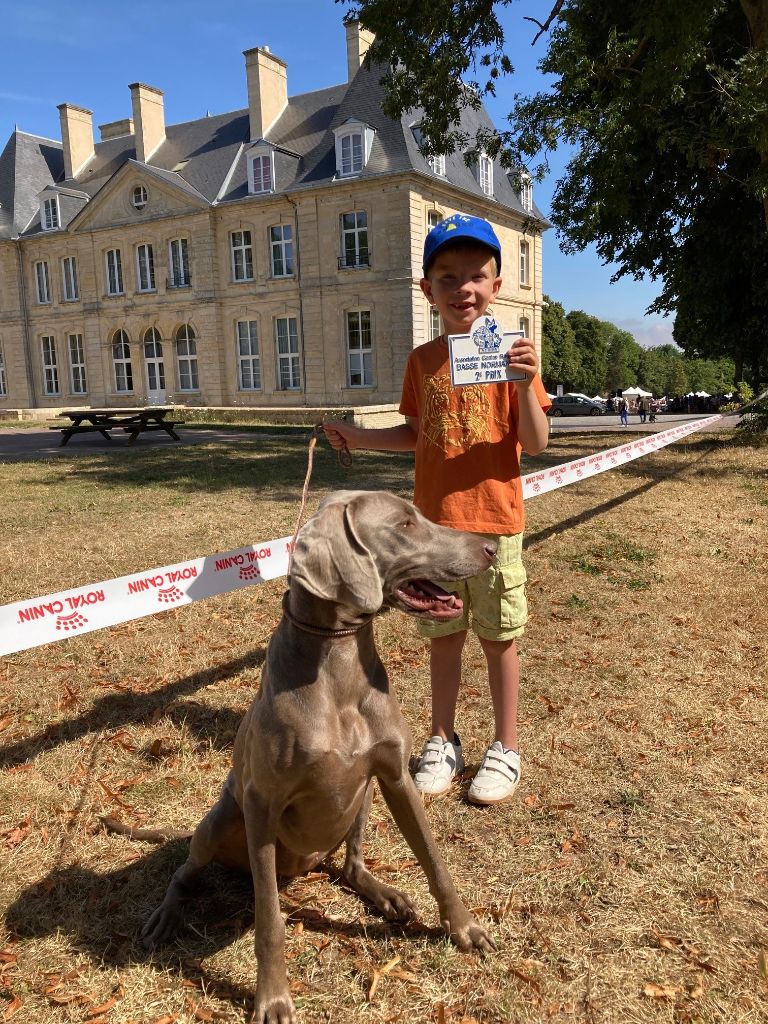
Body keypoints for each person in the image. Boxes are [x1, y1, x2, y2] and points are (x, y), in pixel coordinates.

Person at [323, 213, 551, 805]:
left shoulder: (515, 357)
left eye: (475, 276)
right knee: (443, 636)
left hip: (496, 524)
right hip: (432, 533)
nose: (462, 288)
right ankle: (443, 740)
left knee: (499, 638)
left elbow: (536, 441)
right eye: (447, 277)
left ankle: (505, 747)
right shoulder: (423, 362)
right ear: (427, 289)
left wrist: (524, 384)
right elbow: (416, 433)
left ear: (496, 285)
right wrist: (356, 436)